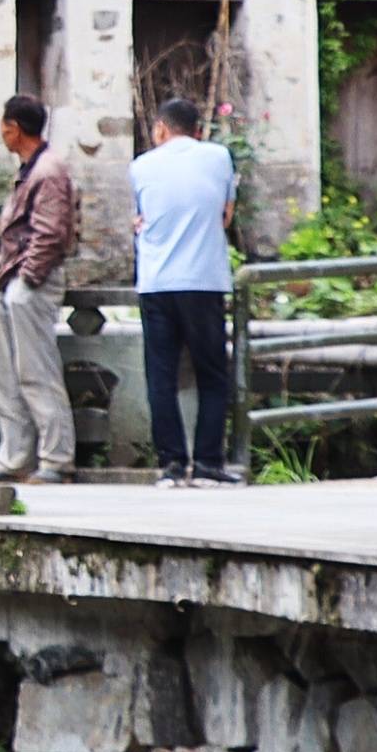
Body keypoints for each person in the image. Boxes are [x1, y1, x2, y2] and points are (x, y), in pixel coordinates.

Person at [131, 95, 241, 485]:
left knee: (160, 376)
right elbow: (225, 215)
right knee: (212, 372)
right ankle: (209, 463)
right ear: (199, 130)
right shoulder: (218, 158)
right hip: (204, 279)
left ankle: (172, 465)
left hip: (156, 282)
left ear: (161, 128)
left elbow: (140, 219)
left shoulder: (141, 166)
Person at [0, 93, 79, 481]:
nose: (1, 134)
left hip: (30, 282)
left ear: (15, 129)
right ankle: (14, 457)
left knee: (36, 369)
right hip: (9, 278)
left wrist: (26, 280)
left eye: (4, 126)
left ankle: (56, 458)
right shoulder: (30, 169)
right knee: (6, 375)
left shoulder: (49, 170)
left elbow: (50, 233)